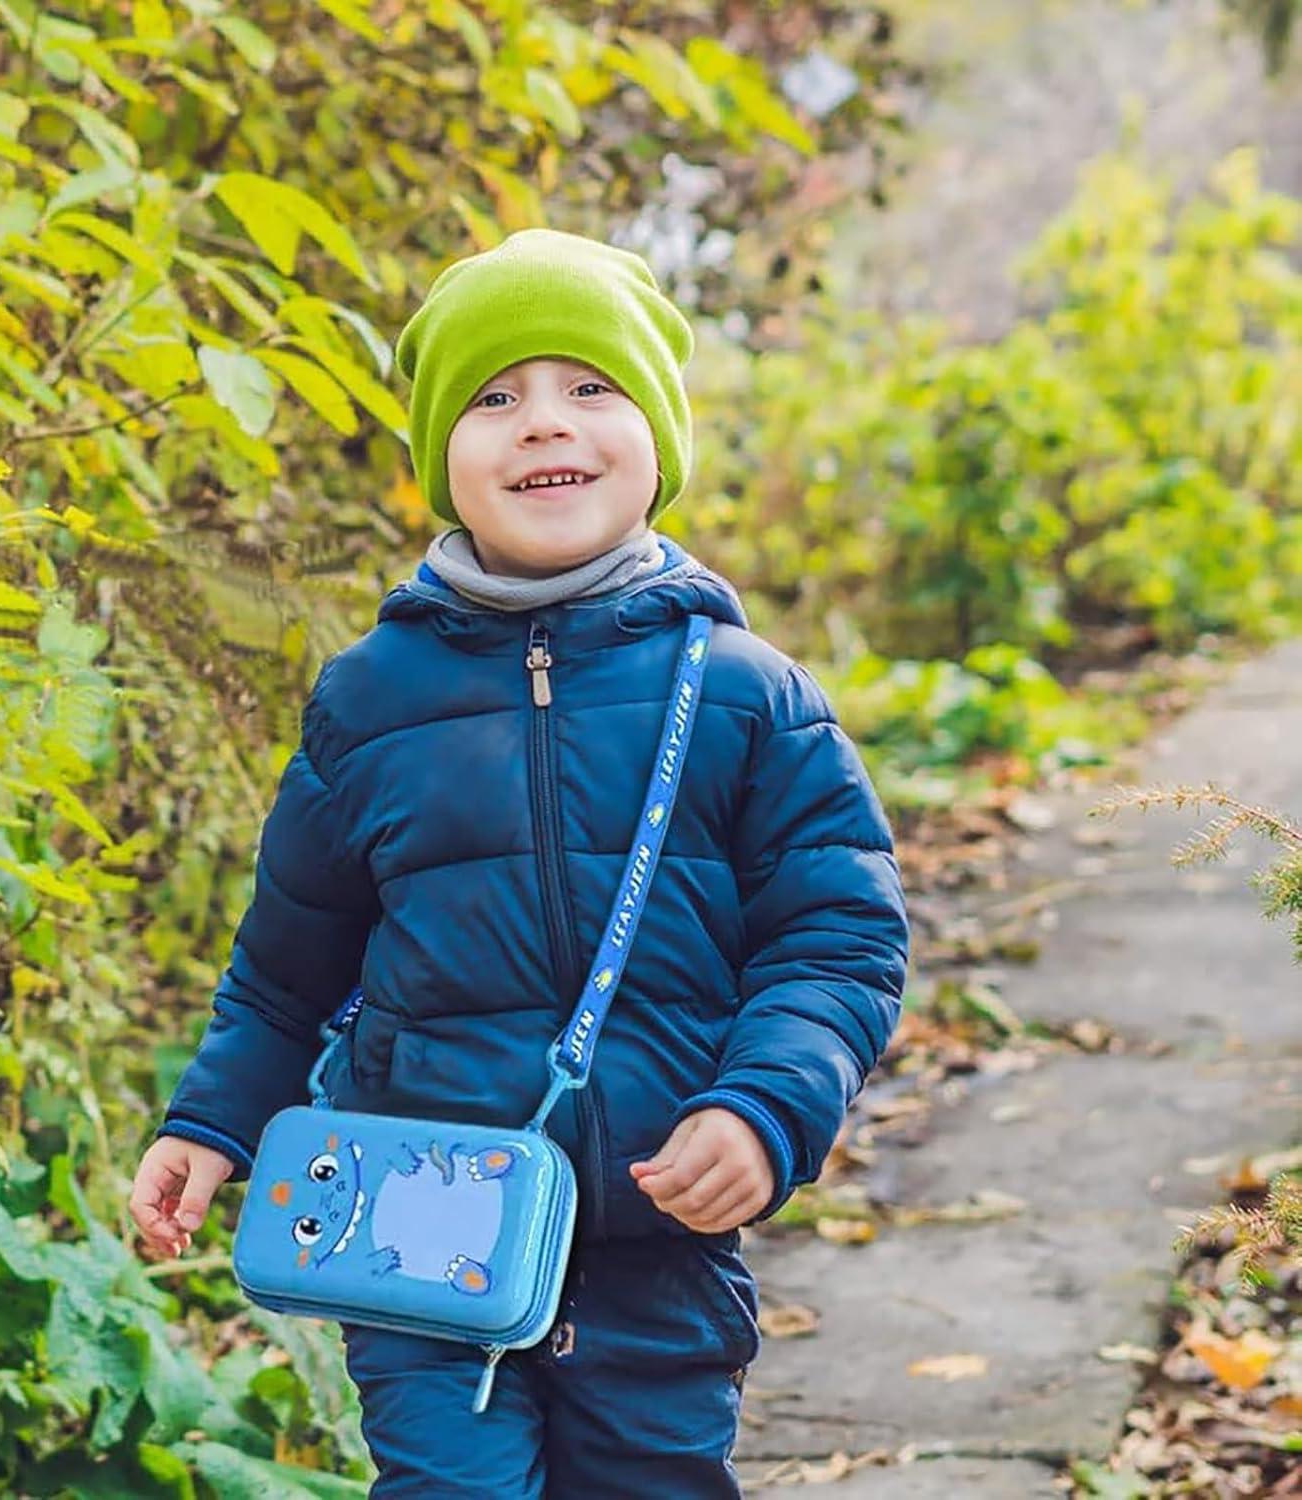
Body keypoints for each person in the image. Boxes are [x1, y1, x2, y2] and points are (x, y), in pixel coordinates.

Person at [129, 228, 910, 1497]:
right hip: (418, 1234)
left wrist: (766, 1106)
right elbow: (288, 966)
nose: (544, 425)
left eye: (590, 389)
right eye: (496, 400)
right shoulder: (370, 702)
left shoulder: (747, 696)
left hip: (658, 1236)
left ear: (659, 436)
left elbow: (839, 940)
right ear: (444, 456)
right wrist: (213, 1122)